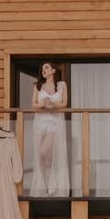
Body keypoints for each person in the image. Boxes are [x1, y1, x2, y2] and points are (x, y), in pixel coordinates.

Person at [32, 61, 70, 196]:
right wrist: (43, 103)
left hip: (54, 123)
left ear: (53, 70)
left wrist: (52, 102)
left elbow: (64, 104)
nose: (44, 70)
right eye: (42, 69)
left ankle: (53, 184)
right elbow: (34, 104)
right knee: (44, 157)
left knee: (44, 152)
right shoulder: (38, 86)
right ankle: (47, 186)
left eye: (46, 67)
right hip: (40, 123)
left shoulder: (61, 85)